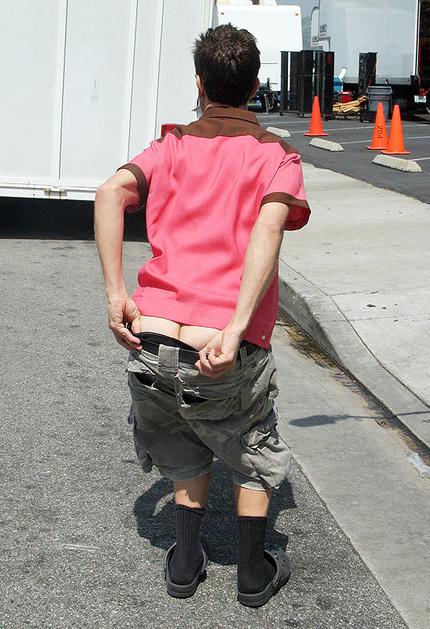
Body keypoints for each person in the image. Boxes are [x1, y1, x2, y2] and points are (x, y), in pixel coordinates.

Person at [94, 23, 310, 607]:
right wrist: (237, 328)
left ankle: (186, 565)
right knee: (251, 441)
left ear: (199, 84)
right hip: (221, 343)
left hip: (152, 337)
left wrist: (116, 294)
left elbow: (110, 193)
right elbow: (269, 228)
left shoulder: (170, 147)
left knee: (179, 437)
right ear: (256, 86)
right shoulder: (276, 157)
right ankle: (252, 573)